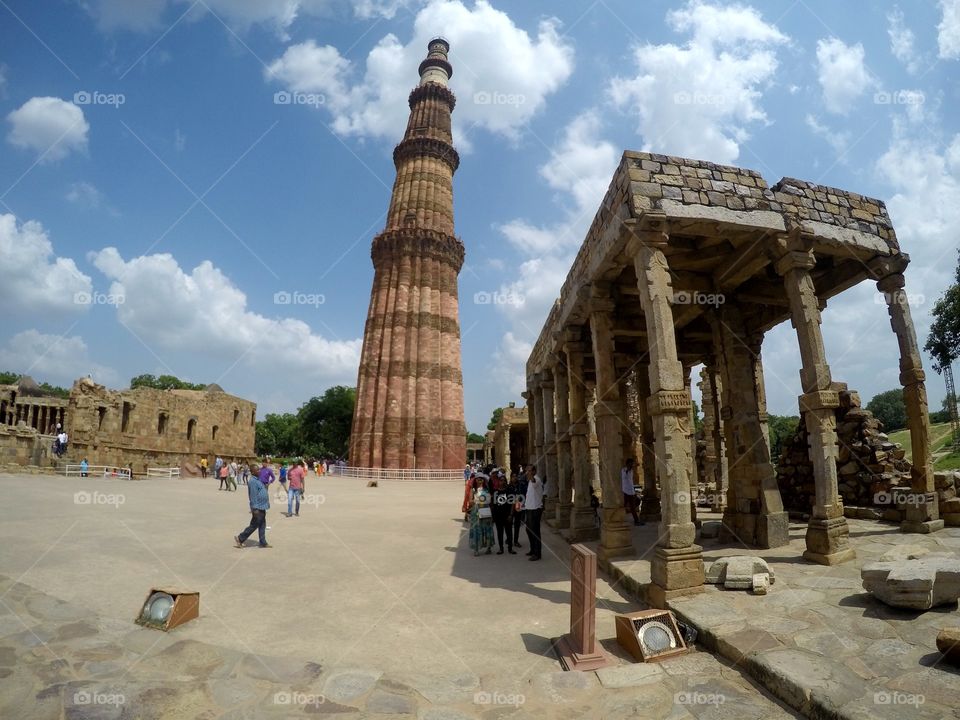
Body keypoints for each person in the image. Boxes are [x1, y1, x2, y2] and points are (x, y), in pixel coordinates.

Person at [235, 462, 274, 548]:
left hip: (262, 506)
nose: (259, 471)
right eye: (257, 470)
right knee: (254, 525)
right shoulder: (252, 481)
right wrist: (254, 509)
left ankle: (263, 542)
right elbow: (252, 496)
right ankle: (240, 538)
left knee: (262, 524)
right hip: (258, 507)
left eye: (259, 469)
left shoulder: (258, 479)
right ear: (253, 472)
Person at [469, 476, 495, 556]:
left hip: (486, 510)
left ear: (484, 481)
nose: (479, 480)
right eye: (478, 478)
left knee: (487, 528)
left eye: (481, 479)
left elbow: (490, 501)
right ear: (475, 480)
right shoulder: (473, 490)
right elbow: (470, 501)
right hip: (476, 512)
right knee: (477, 529)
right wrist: (477, 500)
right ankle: (476, 549)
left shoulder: (487, 490)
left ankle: (488, 547)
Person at [491, 471, 515, 555]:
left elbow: (512, 504)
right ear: (498, 481)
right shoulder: (495, 492)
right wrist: (493, 517)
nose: (502, 482)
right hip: (498, 516)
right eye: (501, 480)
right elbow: (493, 506)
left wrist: (511, 514)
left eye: (504, 480)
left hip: (507, 515)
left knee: (509, 533)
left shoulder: (509, 490)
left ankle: (510, 548)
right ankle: (501, 549)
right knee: (499, 533)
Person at [524, 464, 544, 561]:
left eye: (530, 470)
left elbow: (534, 481)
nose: (527, 472)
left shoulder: (536, 479)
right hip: (529, 509)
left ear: (534, 471)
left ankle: (537, 553)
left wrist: (530, 473)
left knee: (535, 531)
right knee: (528, 530)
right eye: (527, 470)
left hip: (536, 509)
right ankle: (532, 549)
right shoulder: (530, 481)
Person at [621, 458, 643, 526]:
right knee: (622, 506)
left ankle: (636, 521)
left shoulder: (631, 471)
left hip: (631, 491)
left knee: (634, 506)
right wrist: (628, 469)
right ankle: (619, 520)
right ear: (628, 464)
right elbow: (624, 477)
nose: (632, 465)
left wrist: (634, 492)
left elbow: (630, 481)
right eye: (631, 463)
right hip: (625, 491)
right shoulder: (624, 470)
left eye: (633, 463)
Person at [511, 469, 527, 549]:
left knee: (517, 524)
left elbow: (525, 494)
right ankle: (509, 538)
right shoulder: (509, 486)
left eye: (515, 476)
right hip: (510, 508)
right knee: (509, 524)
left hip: (518, 507)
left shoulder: (521, 485)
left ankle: (516, 541)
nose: (514, 478)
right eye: (513, 477)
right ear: (511, 478)